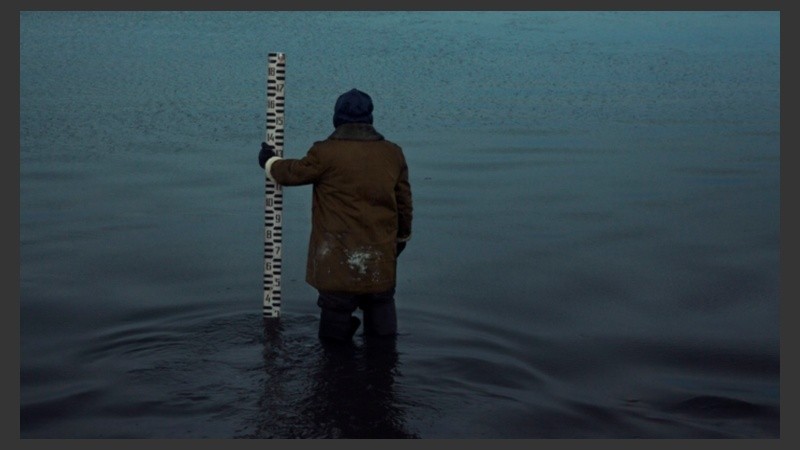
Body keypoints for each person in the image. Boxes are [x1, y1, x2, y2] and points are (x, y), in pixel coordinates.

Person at [258, 88, 413, 342]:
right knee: (384, 341)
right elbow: (404, 204)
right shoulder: (393, 154)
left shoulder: (325, 153)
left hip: (336, 266)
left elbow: (292, 173)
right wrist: (400, 239)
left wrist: (269, 162)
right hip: (379, 263)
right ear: (370, 120)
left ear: (336, 119)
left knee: (333, 347)